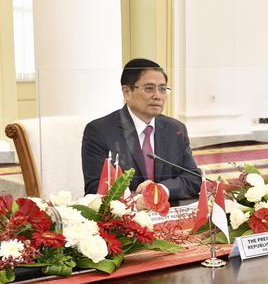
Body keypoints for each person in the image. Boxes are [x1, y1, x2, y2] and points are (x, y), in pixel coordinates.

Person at [82, 58, 201, 201]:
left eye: (163, 89)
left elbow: (193, 178)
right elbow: (95, 189)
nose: (158, 96)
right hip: (126, 219)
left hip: (169, 215)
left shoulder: (175, 129)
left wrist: (160, 190)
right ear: (127, 92)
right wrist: (136, 199)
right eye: (149, 88)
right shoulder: (100, 131)